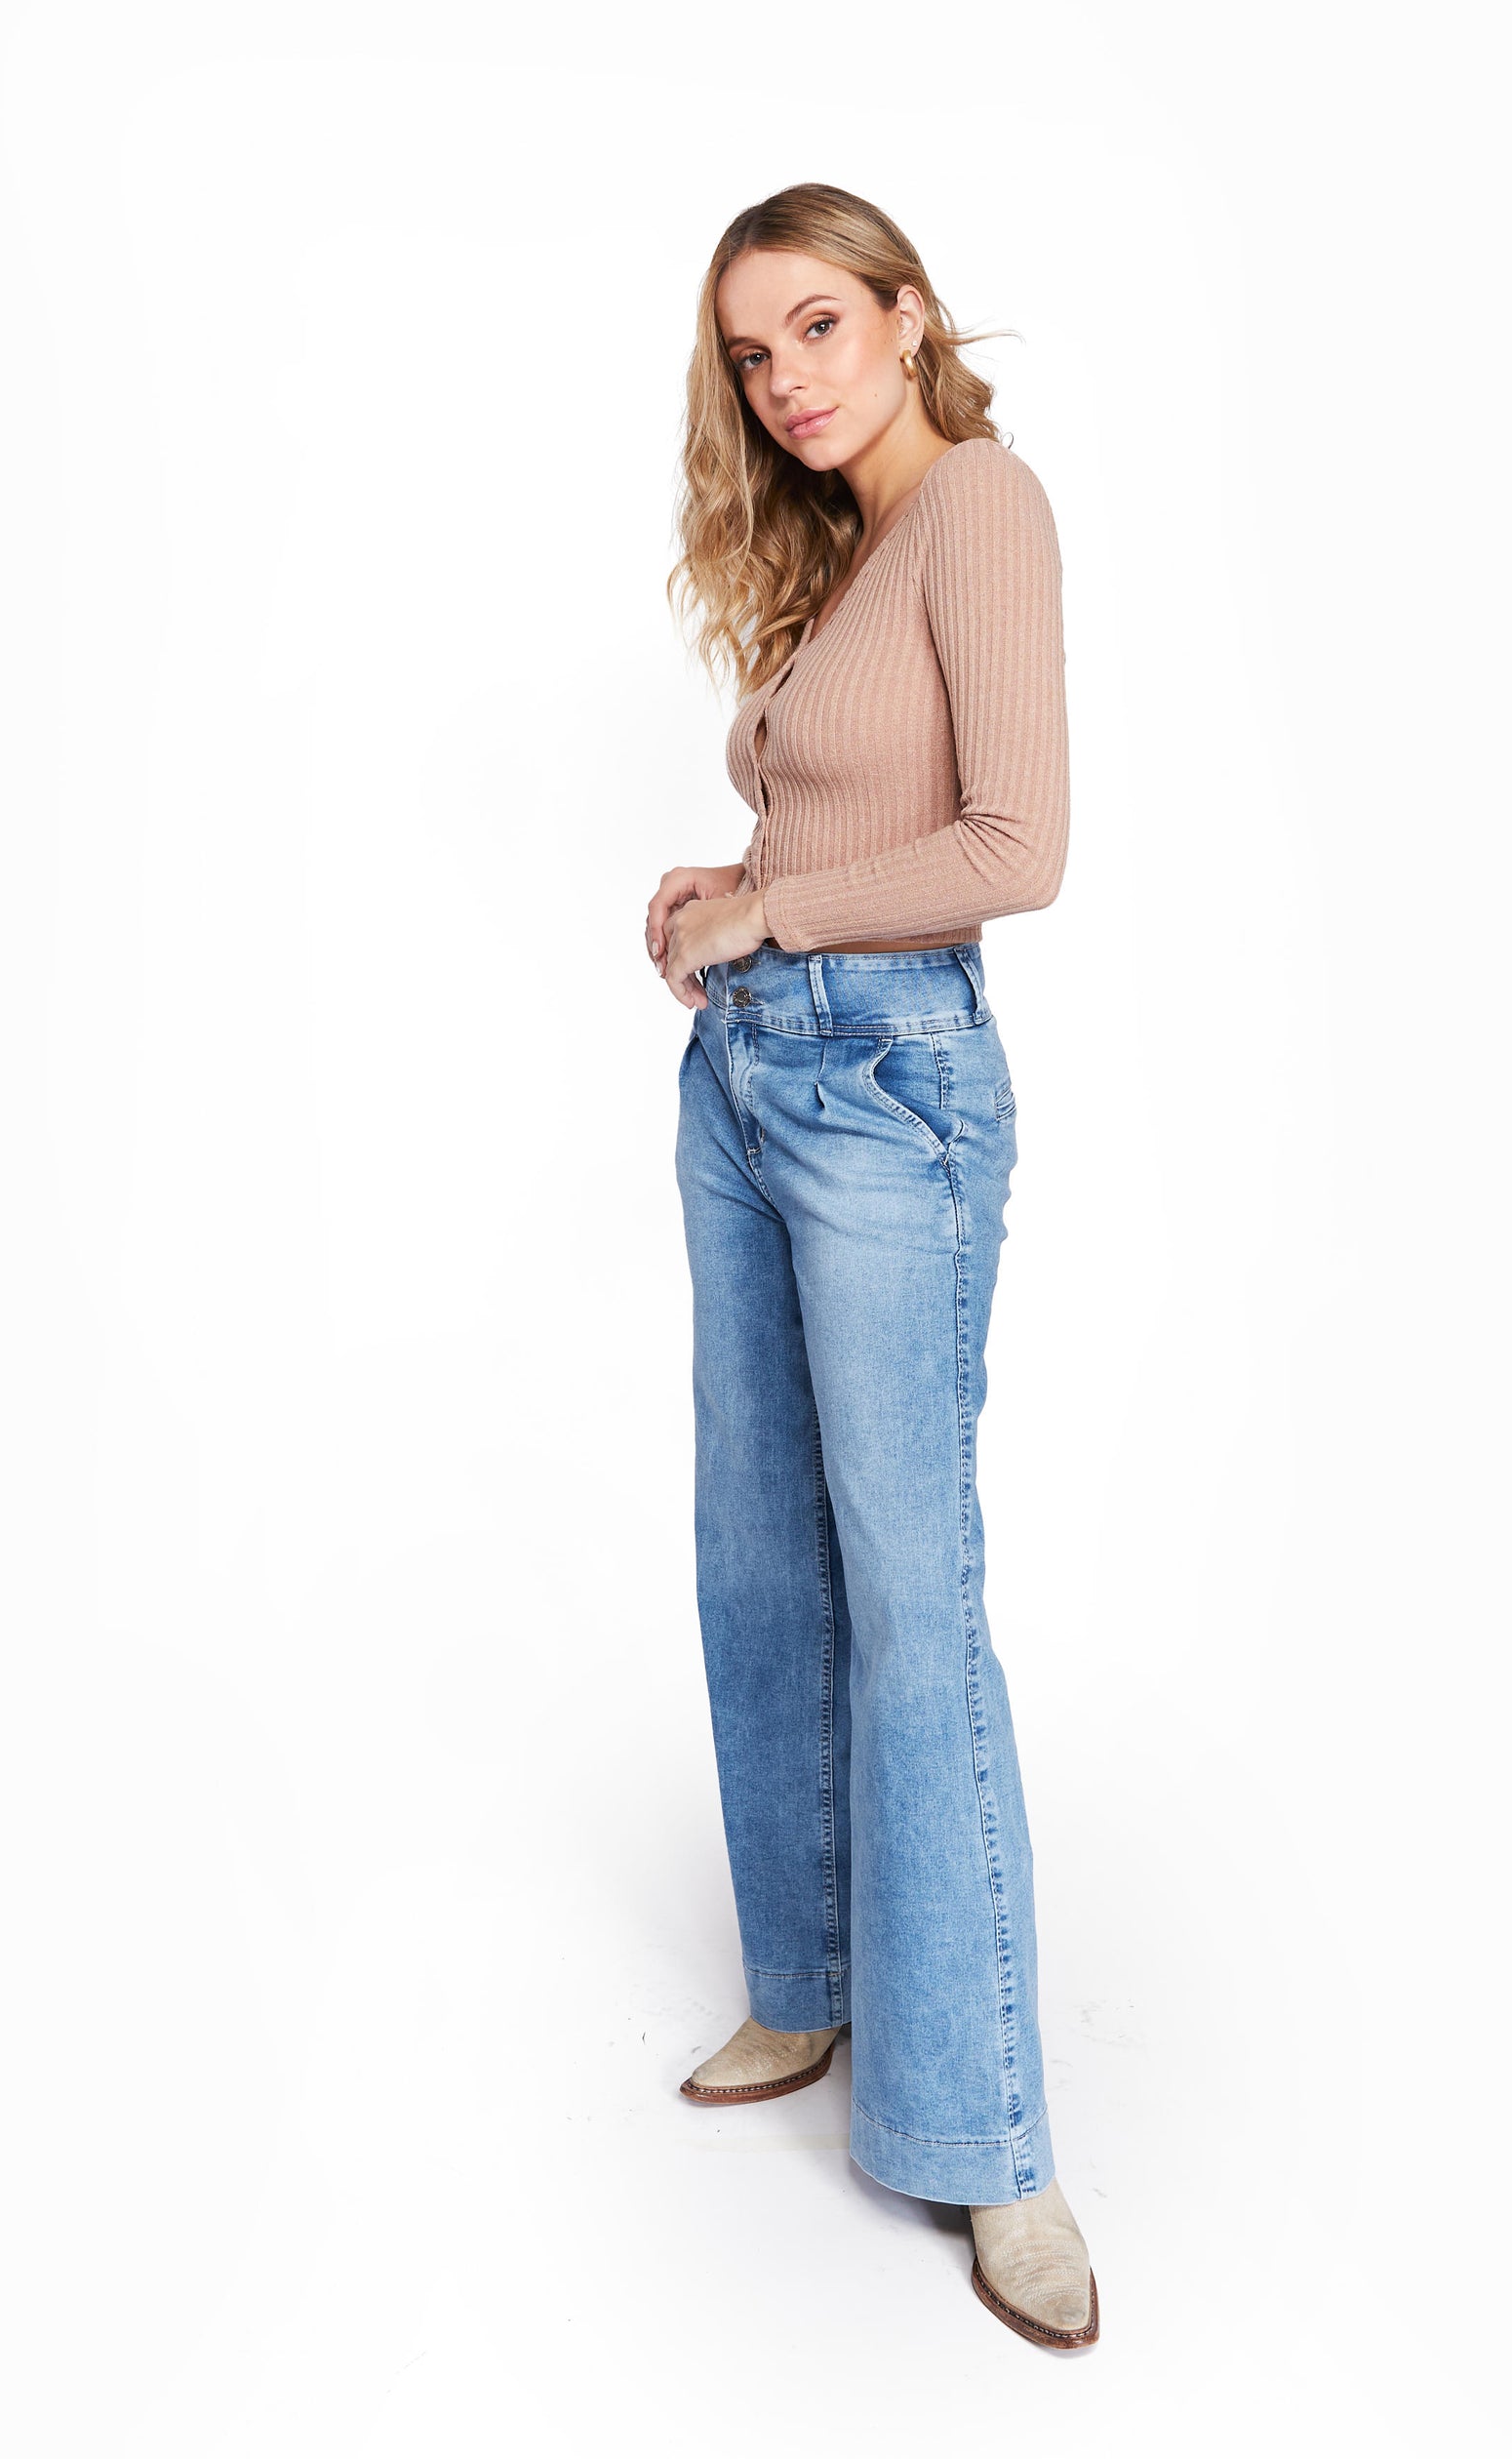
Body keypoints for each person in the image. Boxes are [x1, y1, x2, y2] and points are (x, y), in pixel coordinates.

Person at [647, 181, 1097, 2352]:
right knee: (762, 1553)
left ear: (910, 315)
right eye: (754, 354)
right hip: (751, 1077)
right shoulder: (850, 552)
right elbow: (853, 820)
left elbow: (1019, 847)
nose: (788, 379)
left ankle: (991, 2135)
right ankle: (811, 1983)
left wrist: (783, 918)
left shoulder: (982, 506)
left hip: (888, 1092)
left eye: (819, 325)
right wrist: (730, 886)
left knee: (915, 1590)